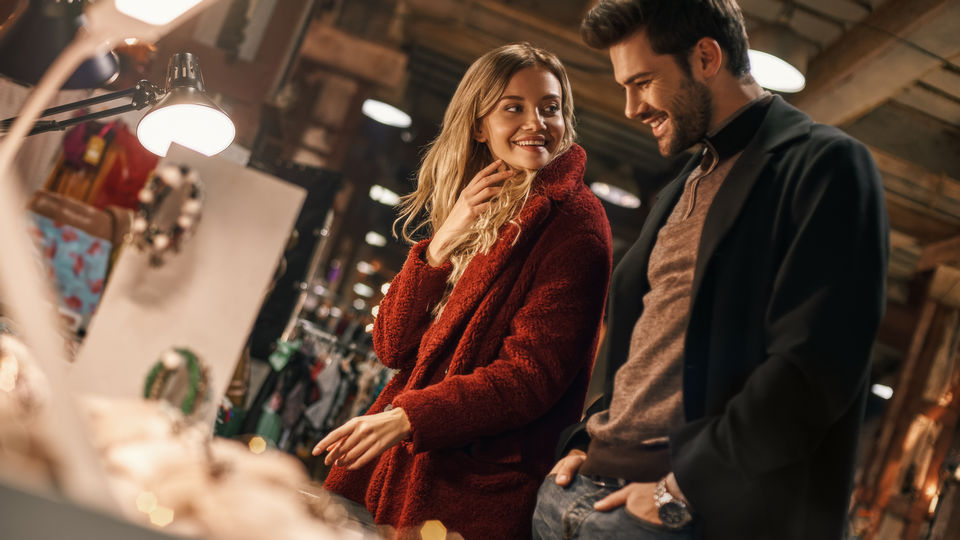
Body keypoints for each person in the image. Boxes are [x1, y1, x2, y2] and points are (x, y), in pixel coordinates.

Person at [532, 2, 889, 539]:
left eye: (643, 82)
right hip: (581, 491)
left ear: (705, 57)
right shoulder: (688, 181)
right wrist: (586, 440)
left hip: (680, 516)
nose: (630, 108)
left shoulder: (824, 164)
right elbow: (647, 348)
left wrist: (681, 489)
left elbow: (817, 368)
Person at [315, 43, 612, 539]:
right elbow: (391, 345)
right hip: (403, 474)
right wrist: (441, 244)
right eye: (513, 107)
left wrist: (409, 418)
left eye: (550, 107)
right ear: (479, 125)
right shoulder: (481, 205)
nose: (536, 122)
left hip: (472, 492)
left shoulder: (576, 224)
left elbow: (529, 377)